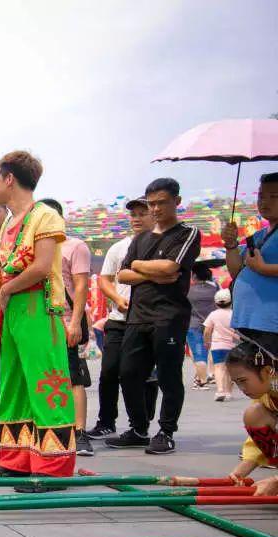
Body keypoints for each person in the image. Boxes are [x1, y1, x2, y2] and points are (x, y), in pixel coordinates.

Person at [0, 151, 76, 479]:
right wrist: (0, 305)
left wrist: (7, 290)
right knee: (13, 382)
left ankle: (54, 466)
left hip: (38, 306)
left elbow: (40, 267)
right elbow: (2, 273)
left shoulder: (45, 215)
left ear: (9, 179)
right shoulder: (9, 221)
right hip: (12, 310)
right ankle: (16, 459)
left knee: (46, 381)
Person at [108, 178, 200, 455]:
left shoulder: (187, 233)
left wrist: (145, 268)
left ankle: (166, 431)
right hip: (137, 316)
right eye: (152, 204)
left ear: (177, 202)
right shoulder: (141, 239)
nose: (156, 208)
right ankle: (138, 428)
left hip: (168, 316)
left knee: (169, 375)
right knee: (128, 373)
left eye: (162, 202)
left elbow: (172, 266)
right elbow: (122, 274)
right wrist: (147, 268)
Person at [88, 198, 155, 438]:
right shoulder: (118, 248)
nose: (136, 218)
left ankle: (140, 423)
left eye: (142, 213)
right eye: (133, 214)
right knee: (109, 371)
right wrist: (117, 299)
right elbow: (105, 280)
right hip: (118, 318)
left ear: (155, 214)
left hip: (148, 320)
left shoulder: (161, 246)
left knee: (139, 373)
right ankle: (106, 420)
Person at [41, 198, 94, 457]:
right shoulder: (34, 249)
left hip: (66, 320)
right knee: (46, 376)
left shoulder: (74, 246)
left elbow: (82, 286)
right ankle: (51, 428)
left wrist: (75, 322)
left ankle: (80, 432)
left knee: (73, 376)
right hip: (40, 323)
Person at [224, 172, 278, 349]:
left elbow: (259, 267)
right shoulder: (259, 235)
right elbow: (236, 271)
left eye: (274, 196)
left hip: (271, 323)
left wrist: (263, 269)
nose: (264, 201)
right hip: (248, 320)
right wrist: (231, 246)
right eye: (261, 196)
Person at [224, 339, 278, 488]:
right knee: (254, 414)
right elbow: (255, 441)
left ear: (267, 371)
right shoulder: (267, 392)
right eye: (236, 383)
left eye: (243, 380)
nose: (241, 388)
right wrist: (240, 471)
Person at [187, 264, 219, 389]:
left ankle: (202, 381)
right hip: (211, 324)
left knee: (198, 354)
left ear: (194, 275)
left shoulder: (189, 291)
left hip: (193, 324)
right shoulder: (214, 289)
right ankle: (205, 376)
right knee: (208, 351)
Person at [203, 288, 235, 401]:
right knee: (229, 369)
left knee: (218, 367)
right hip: (232, 346)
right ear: (231, 302)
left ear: (216, 303)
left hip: (217, 346)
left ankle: (220, 390)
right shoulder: (234, 314)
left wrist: (207, 342)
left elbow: (207, 330)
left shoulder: (213, 314)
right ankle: (228, 391)